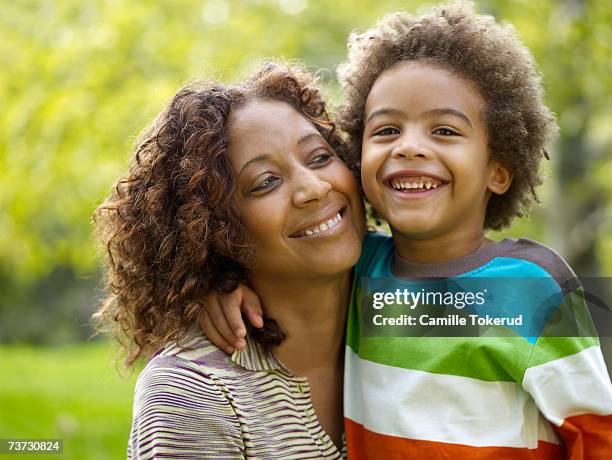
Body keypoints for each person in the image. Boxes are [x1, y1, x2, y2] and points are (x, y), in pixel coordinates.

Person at [203, 3, 612, 458]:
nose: (410, 147)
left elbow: (597, 432)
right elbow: (286, 277)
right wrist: (219, 285)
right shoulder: (359, 271)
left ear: (498, 170)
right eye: (387, 130)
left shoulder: (531, 288)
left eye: (444, 130)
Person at [93, 62, 366, 459]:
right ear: (213, 227)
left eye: (320, 157)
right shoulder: (192, 392)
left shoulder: (407, 301)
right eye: (265, 182)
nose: (314, 187)